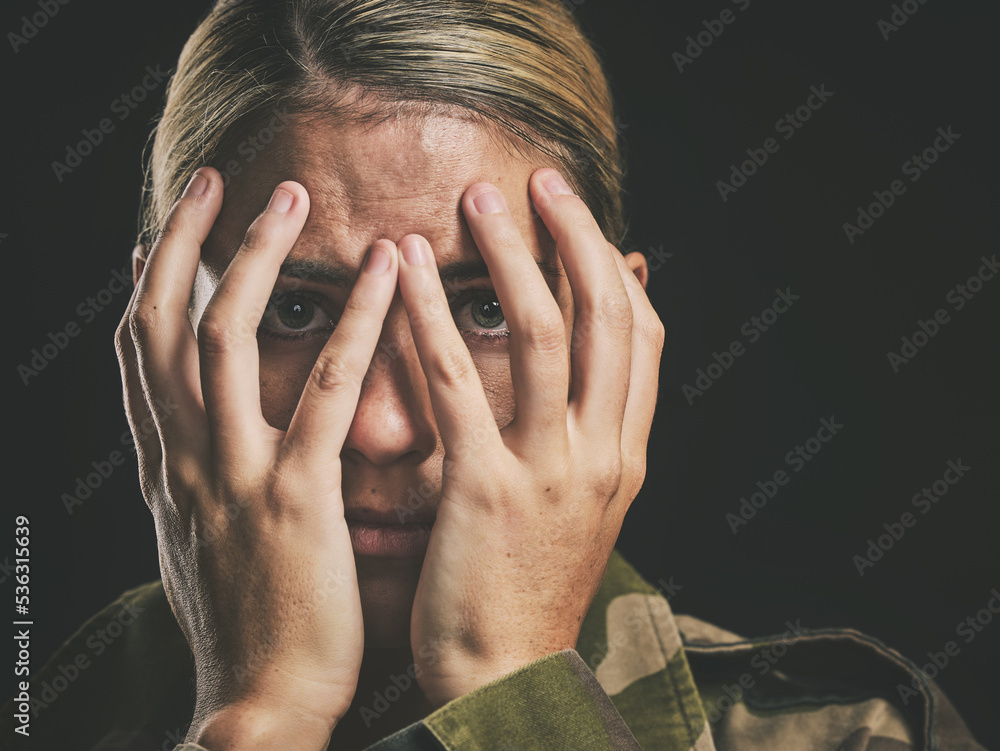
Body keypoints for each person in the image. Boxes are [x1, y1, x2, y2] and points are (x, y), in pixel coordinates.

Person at [2, 1, 987, 749]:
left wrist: (514, 691)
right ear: (161, 333)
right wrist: (258, 722)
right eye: (293, 311)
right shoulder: (45, 703)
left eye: (482, 309)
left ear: (617, 334)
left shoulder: (846, 735)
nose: (382, 426)